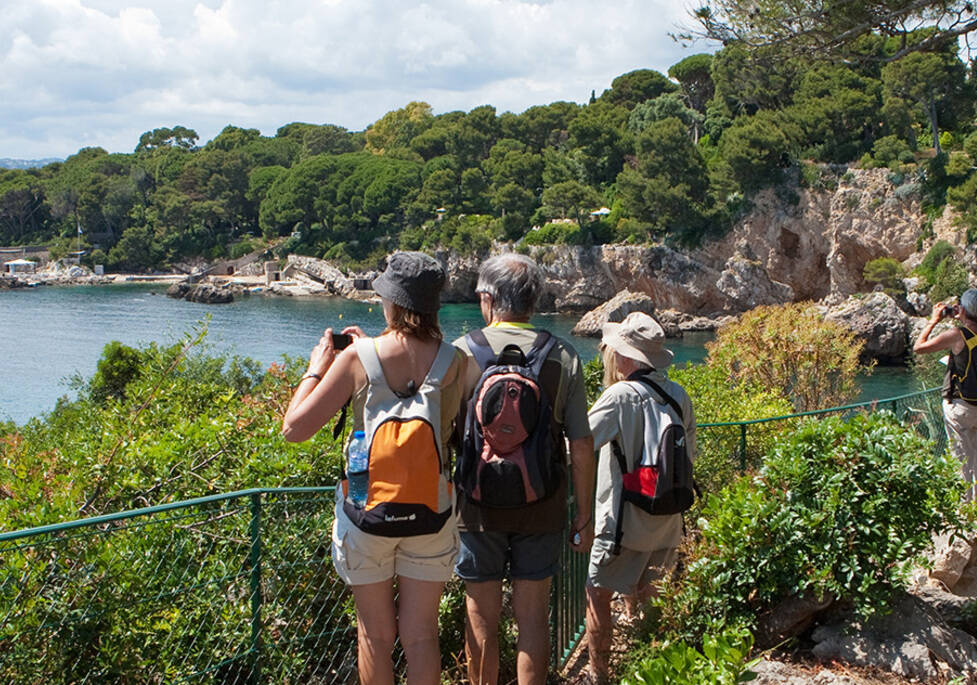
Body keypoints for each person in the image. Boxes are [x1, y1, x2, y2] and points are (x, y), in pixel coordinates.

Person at [281, 251, 465, 685]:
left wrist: (316, 369)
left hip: (367, 515)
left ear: (393, 302)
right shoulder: (457, 361)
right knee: (421, 637)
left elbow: (294, 429)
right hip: (432, 514)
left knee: (374, 636)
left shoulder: (357, 358)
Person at [452, 252, 595, 685]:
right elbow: (582, 444)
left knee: (481, 620)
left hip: (477, 508)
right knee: (532, 622)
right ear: (533, 301)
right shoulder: (564, 356)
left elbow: (443, 435)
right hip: (544, 504)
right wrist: (584, 515)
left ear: (487, 298)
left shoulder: (461, 353)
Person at [583, 312, 692, 685]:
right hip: (668, 522)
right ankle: (648, 671)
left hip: (622, 524)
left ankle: (600, 675)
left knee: (597, 597)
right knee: (652, 601)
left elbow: (579, 448)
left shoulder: (619, 395)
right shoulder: (679, 396)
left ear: (625, 357)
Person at [911, 288, 977, 531]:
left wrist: (934, 320)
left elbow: (919, 347)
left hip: (961, 407)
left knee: (961, 462)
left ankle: (963, 517)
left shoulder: (958, 335)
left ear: (964, 310)